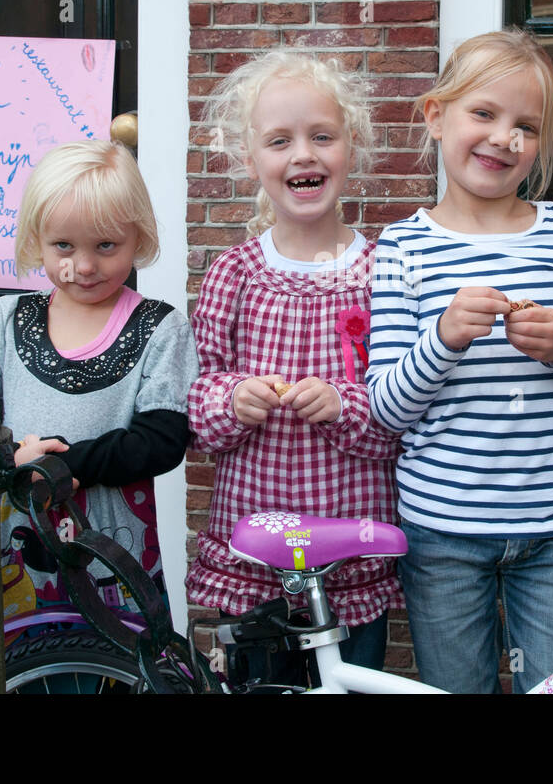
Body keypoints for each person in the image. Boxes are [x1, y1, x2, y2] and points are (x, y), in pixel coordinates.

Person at [366, 29, 553, 693]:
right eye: (483, 114)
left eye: (526, 126)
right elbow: (385, 408)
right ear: (437, 116)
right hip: (442, 531)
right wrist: (443, 339)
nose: (503, 138)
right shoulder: (403, 246)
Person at [186, 50, 403, 687]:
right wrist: (233, 400)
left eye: (322, 136)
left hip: (351, 550)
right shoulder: (236, 273)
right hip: (256, 551)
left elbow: (407, 406)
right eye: (280, 141)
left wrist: (346, 406)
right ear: (249, 160)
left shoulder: (385, 273)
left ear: (351, 148)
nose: (302, 154)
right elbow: (196, 404)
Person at [0, 140, 195, 621]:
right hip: (13, 548)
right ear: (35, 240)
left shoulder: (161, 329)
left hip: (114, 552)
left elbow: (162, 442)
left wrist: (67, 464)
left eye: (106, 246)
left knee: (119, 666)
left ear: (138, 238)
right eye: (63, 246)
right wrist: (11, 460)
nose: (84, 266)